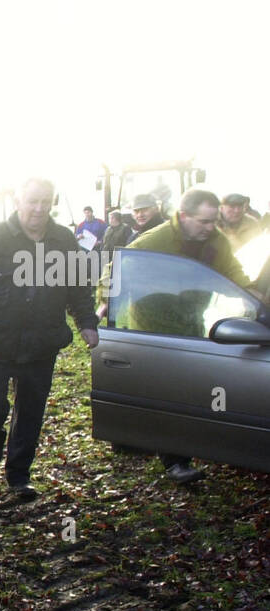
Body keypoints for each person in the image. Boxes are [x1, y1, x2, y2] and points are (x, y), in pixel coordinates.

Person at [0, 177, 99, 500]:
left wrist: (86, 321)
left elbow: (78, 286)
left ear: (52, 203)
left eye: (45, 202)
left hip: (42, 343)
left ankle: (18, 475)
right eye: (32, 202)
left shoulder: (64, 240)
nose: (39, 209)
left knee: (30, 410)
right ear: (18, 202)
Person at [112, 188, 253, 485]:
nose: (210, 227)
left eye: (213, 221)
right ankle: (176, 461)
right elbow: (115, 275)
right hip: (155, 329)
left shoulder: (215, 242)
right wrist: (104, 307)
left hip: (191, 325)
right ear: (183, 215)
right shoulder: (154, 241)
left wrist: (255, 298)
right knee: (171, 393)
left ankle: (133, 438)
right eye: (203, 221)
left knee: (172, 390)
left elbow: (234, 275)